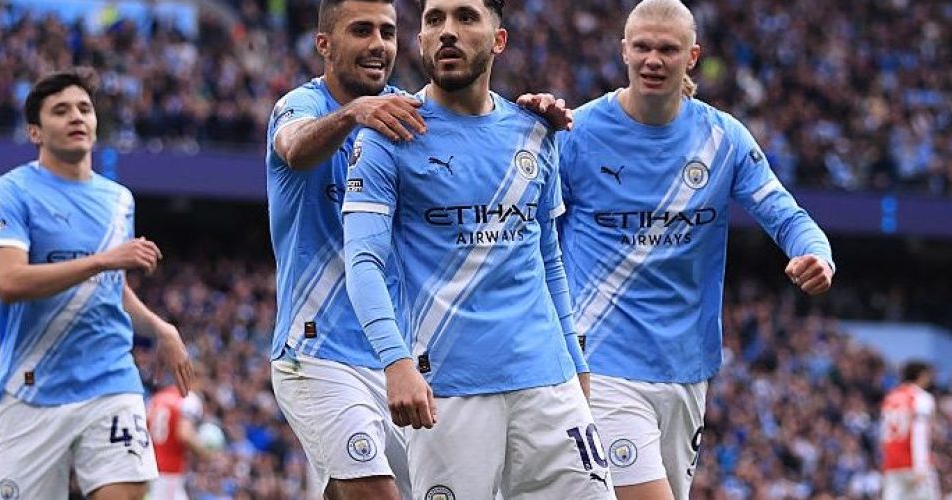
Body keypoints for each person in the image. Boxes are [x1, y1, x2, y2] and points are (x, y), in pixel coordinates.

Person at [266, 1, 570, 498]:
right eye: (360, 31)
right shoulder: (302, 106)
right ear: (324, 44)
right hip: (319, 351)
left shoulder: (408, 117)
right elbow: (295, 147)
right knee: (373, 489)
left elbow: (471, 129)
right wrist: (354, 113)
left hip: (406, 354)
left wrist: (528, 111)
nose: (378, 44)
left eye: (387, 32)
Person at [555, 1, 835, 499]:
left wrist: (816, 252)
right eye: (642, 47)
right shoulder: (578, 135)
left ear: (692, 56)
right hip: (601, 361)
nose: (653, 60)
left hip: (688, 367)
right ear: (624, 50)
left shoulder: (722, 139)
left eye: (667, 49)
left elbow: (785, 214)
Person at [341, 1, 612, 498]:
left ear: (498, 39)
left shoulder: (534, 131)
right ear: (420, 39)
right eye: (434, 20)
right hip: (446, 390)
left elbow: (549, 259)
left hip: (548, 383)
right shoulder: (387, 135)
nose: (448, 32)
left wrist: (577, 363)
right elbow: (362, 262)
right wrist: (395, 362)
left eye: (466, 18)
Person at [0, 69, 194, 500]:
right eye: (61, 111)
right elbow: (9, 281)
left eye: (84, 108)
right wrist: (103, 259)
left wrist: (159, 328)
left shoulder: (118, 199)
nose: (77, 117)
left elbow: (109, 286)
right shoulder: (12, 191)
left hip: (110, 378)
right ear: (35, 131)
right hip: (34, 385)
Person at [881, 361, 939, 500]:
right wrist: (920, 466)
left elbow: (883, 433)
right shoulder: (922, 398)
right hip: (913, 462)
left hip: (892, 464)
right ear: (921, 376)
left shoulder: (890, 398)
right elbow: (919, 431)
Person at [147, 384, 214, 500]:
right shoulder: (188, 399)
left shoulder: (156, 398)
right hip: (169, 470)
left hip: (150, 465)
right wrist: (206, 453)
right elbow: (185, 433)